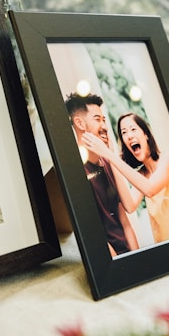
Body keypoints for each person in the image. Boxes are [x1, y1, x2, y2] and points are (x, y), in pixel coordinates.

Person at [82, 112, 169, 244]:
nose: (129, 136)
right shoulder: (142, 174)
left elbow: (150, 189)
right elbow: (129, 206)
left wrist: (108, 154)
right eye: (124, 132)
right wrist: (111, 157)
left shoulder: (166, 160)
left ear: (146, 135)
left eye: (133, 129)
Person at [65, 92, 139, 257]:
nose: (105, 126)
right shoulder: (75, 172)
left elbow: (125, 221)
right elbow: (93, 232)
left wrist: (138, 257)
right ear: (80, 123)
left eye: (104, 120)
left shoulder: (107, 162)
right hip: (108, 260)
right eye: (98, 119)